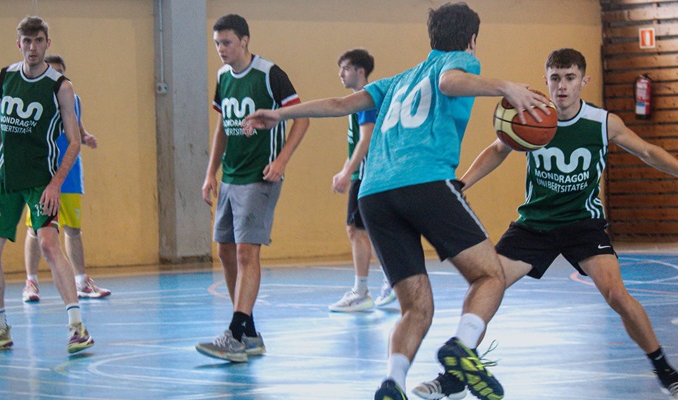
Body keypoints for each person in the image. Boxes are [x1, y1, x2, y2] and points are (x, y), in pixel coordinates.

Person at [244, 3, 550, 398]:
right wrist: (506, 86)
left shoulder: (397, 81)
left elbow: (340, 105)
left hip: (374, 194)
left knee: (415, 307)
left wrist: (280, 115)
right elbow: (449, 84)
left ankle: (393, 383)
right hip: (423, 182)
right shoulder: (461, 62)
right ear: (472, 39)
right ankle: (461, 346)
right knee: (489, 275)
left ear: (431, 38)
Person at [412, 48, 678, 400]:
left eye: (570, 78)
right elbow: (498, 150)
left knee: (617, 294)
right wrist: (462, 183)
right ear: (546, 80)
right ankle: (453, 376)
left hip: (582, 225)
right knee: (487, 283)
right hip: (534, 224)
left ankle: (666, 371)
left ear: (583, 81)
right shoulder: (531, 113)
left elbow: (647, 151)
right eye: (555, 78)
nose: (561, 86)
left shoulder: (603, 122)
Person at [0, 16, 94, 354]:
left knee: (49, 244)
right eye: (26, 42)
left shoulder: (60, 87)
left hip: (41, 178)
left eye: (38, 41)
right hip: (7, 176)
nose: (32, 48)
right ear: (19, 44)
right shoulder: (4, 77)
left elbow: (73, 141)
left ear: (47, 43)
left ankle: (77, 328)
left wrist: (56, 184)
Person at [196, 14, 310, 363]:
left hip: (260, 177)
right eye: (217, 44)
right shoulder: (222, 77)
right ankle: (248, 332)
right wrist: (210, 172)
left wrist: (282, 161)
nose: (221, 50)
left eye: (227, 43)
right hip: (230, 176)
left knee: (247, 253)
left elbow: (301, 117)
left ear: (244, 41)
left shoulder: (269, 74)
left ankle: (234, 332)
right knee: (226, 252)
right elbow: (221, 127)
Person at [21, 54, 110, 303]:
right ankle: (31, 282)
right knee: (35, 229)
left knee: (73, 230)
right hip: (41, 176)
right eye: (52, 72)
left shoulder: (73, 100)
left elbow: (76, 129)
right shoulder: (33, 101)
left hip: (69, 176)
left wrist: (86, 137)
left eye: (61, 73)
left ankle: (81, 281)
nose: (57, 78)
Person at [328, 48, 395, 312]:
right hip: (366, 173)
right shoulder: (360, 99)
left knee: (357, 232)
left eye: (345, 68)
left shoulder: (365, 99)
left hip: (367, 175)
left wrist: (348, 172)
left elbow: (366, 138)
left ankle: (363, 291)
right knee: (363, 232)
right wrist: (347, 169)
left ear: (360, 71)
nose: (340, 74)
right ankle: (391, 282)